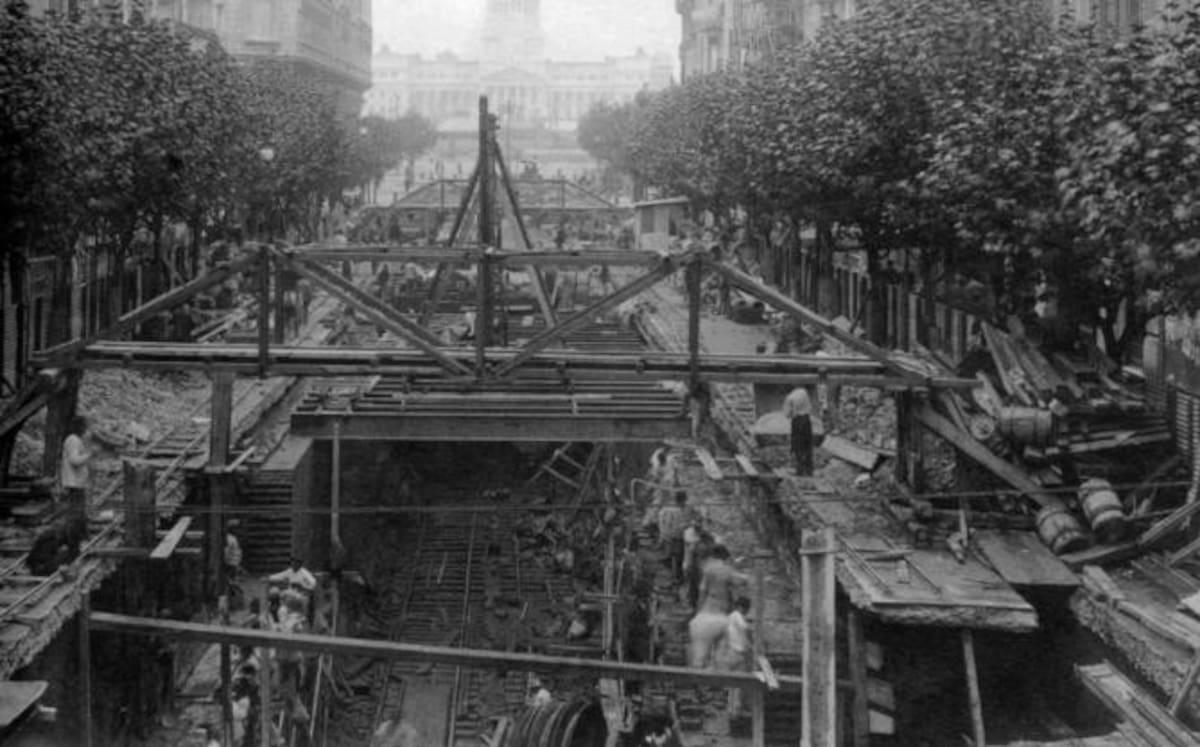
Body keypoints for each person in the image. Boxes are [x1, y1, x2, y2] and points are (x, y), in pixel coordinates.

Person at [688, 545, 747, 669]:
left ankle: (697, 680)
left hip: (706, 614)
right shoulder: (727, 570)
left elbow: (702, 591)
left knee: (698, 659)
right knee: (718, 661)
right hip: (724, 619)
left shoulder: (707, 569)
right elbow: (742, 581)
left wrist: (697, 613)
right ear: (725, 557)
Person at [60, 415, 93, 547]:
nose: (87, 429)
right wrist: (89, 455)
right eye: (86, 426)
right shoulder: (73, 440)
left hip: (77, 482)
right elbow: (74, 460)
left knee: (79, 510)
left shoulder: (74, 439)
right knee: (76, 511)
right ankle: (73, 538)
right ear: (80, 427)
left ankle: (81, 536)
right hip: (74, 482)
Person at [722, 596, 754, 715]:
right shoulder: (736, 616)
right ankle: (736, 708)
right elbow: (745, 628)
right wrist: (751, 643)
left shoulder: (730, 617)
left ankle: (731, 708)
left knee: (733, 683)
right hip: (737, 652)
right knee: (739, 682)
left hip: (731, 651)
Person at [783, 386, 815, 476]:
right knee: (808, 445)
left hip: (797, 421)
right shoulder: (803, 391)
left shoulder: (789, 398)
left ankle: (800, 470)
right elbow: (810, 406)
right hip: (807, 420)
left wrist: (792, 410)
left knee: (798, 446)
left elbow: (787, 414)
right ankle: (809, 470)